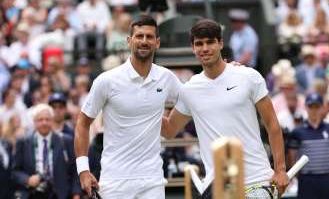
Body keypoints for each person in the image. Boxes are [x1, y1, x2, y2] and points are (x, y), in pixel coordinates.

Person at [161, 19, 289, 198]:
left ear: (220, 43)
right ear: (193, 48)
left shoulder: (248, 76)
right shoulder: (189, 89)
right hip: (218, 187)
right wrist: (146, 105)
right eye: (199, 44)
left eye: (210, 42)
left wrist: (280, 169)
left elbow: (272, 124)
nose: (205, 48)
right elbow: (169, 131)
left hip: (257, 181)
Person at [74, 15, 182, 198]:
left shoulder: (167, 78)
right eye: (139, 36)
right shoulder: (106, 80)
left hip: (152, 181)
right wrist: (83, 170)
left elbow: (196, 97)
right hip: (114, 181)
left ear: (157, 43)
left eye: (149, 37)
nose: (144, 41)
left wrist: (226, 70)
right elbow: (82, 124)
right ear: (129, 40)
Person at [12, 104, 81, 199]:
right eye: (40, 120)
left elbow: (75, 170)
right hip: (32, 193)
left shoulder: (66, 141)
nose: (44, 123)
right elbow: (15, 171)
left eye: (47, 119)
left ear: (52, 121)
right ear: (34, 122)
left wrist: (76, 194)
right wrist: (27, 180)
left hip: (60, 194)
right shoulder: (23, 142)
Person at [288, 93, 329, 199]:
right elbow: (292, 160)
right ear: (306, 107)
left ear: (322, 107)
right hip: (307, 180)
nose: (314, 110)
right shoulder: (297, 132)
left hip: (328, 179)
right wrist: (302, 177)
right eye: (311, 107)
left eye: (317, 107)